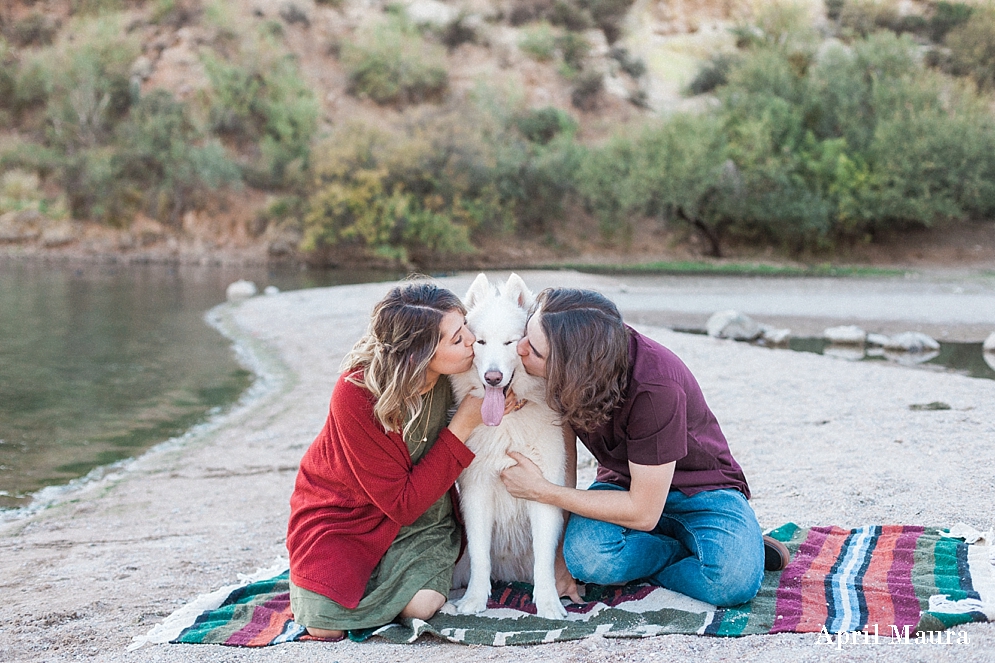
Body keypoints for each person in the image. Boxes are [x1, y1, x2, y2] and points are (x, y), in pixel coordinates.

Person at [501, 288, 790, 608]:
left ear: (574, 370)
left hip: (701, 489)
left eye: (535, 351)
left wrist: (542, 491)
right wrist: (558, 558)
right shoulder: (569, 360)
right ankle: (688, 549)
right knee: (587, 560)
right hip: (624, 482)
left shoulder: (654, 387)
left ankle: (727, 549)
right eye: (526, 334)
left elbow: (643, 510)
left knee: (730, 583)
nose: (520, 348)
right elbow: (565, 459)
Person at [286, 282, 513, 639]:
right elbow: (400, 503)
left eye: (465, 326)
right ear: (419, 355)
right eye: (457, 339)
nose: (471, 340)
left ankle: (389, 577)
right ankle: (342, 575)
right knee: (322, 627)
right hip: (344, 511)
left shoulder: (460, 374)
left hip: (424, 515)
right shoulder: (355, 392)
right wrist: (463, 425)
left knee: (420, 605)